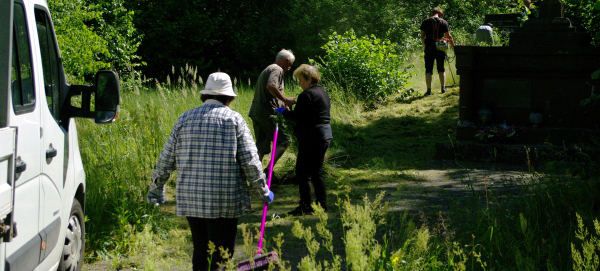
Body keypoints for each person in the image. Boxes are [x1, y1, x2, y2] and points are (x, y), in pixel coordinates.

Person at [146, 72, 274, 271]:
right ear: (229, 98)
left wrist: (156, 188)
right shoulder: (234, 120)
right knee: (222, 254)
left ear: (204, 96)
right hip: (224, 200)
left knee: (200, 250)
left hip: (191, 198)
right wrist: (263, 190)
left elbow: (165, 160)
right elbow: (250, 162)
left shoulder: (184, 119)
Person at [275, 64, 332, 216]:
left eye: (300, 80)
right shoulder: (322, 92)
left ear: (309, 79)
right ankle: (322, 205)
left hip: (312, 137)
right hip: (324, 134)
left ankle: (305, 206)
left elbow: (297, 117)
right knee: (316, 172)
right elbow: (306, 114)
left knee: (303, 171)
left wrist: (283, 112)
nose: (299, 83)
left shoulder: (306, 95)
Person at [249, 49, 296, 179]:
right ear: (286, 61)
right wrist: (286, 100)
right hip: (267, 112)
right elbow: (270, 86)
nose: (290, 68)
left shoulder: (269, 69)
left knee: (262, 145)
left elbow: (270, 91)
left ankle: (255, 175)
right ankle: (268, 171)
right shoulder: (277, 69)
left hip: (256, 111)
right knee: (285, 140)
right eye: (290, 64)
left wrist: (282, 103)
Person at [420, 6, 455, 96]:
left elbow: (422, 36)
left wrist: (425, 45)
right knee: (441, 68)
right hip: (440, 47)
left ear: (432, 13)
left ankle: (428, 90)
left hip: (429, 48)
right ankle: (443, 89)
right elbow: (449, 37)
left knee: (428, 69)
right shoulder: (444, 22)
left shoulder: (425, 21)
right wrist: (454, 48)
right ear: (440, 14)